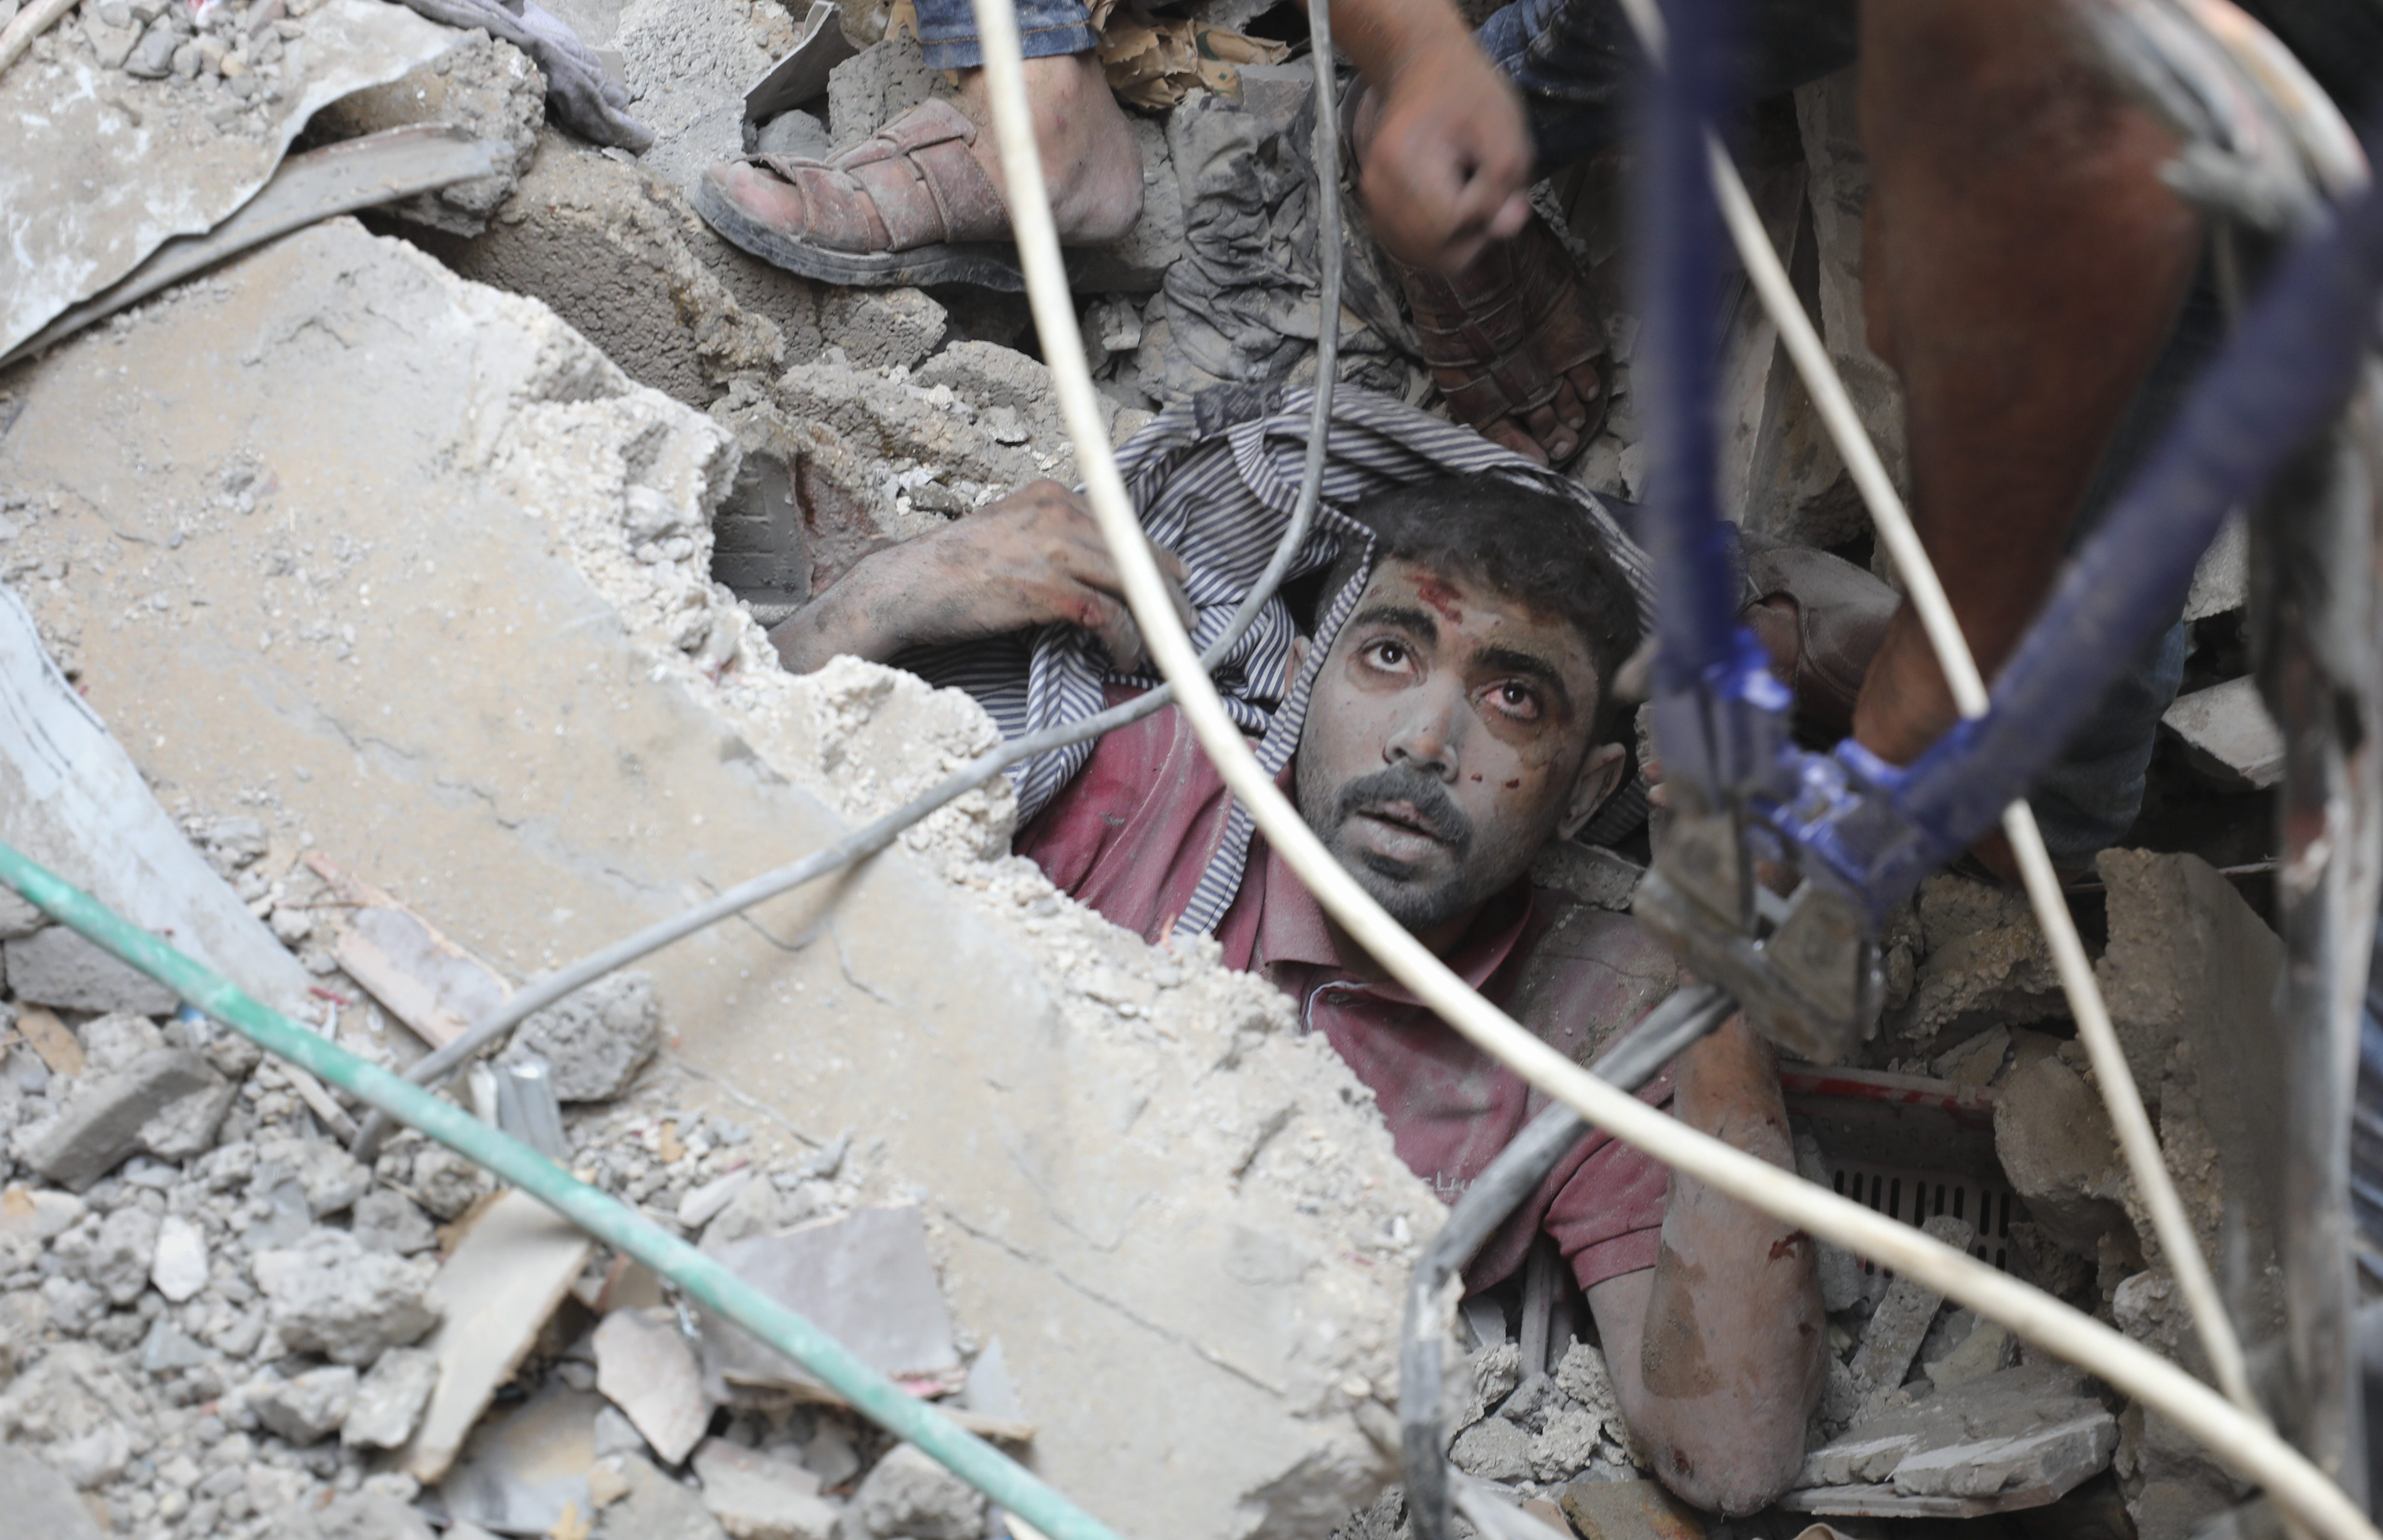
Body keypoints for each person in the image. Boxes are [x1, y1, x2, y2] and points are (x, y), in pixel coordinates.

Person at [772, 466, 1839, 1512]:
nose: (1426, 743)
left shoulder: (1595, 1010)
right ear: (1302, 679)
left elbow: (1731, 1456)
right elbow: (706, 830)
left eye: (1513, 697)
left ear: (1585, 792)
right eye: (1388, 655)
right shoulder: (1136, 779)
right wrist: (886, 596)